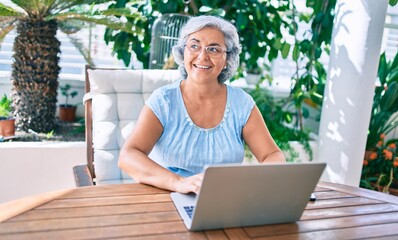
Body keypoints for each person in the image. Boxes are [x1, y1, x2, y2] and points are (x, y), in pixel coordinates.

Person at [119, 15, 286, 194]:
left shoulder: (242, 103)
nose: (202, 56)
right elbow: (128, 156)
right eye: (194, 46)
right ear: (183, 52)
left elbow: (272, 155)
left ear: (227, 59)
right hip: (169, 198)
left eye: (213, 49)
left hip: (224, 200)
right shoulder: (164, 101)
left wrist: (252, 182)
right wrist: (179, 183)